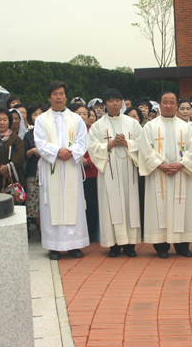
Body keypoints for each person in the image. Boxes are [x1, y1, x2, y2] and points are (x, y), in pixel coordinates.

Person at [139, 91, 192, 258]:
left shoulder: (186, 127)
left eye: (172, 102)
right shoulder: (150, 127)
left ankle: (183, 246)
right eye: (165, 102)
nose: (168, 105)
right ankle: (162, 247)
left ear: (176, 105)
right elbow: (145, 149)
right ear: (159, 105)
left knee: (182, 208)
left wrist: (181, 164)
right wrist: (161, 166)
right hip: (158, 174)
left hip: (181, 174)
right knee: (160, 208)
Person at [34, 81, 89, 260]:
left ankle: (74, 245)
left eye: (62, 94)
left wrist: (70, 152)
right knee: (52, 204)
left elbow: (82, 141)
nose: (58, 97)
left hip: (71, 165)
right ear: (49, 97)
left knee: (73, 204)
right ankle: (54, 247)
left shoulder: (76, 119)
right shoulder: (42, 119)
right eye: (55, 94)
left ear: (66, 96)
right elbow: (40, 143)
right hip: (52, 167)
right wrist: (58, 151)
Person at [87, 88, 142, 257]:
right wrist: (110, 144)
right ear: (104, 105)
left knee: (130, 204)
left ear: (122, 102)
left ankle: (130, 245)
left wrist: (126, 143)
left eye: (118, 100)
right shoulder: (97, 126)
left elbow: (142, 144)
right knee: (110, 206)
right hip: (109, 173)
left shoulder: (132, 123)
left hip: (128, 171)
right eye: (110, 100)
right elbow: (92, 149)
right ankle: (114, 245)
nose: (115, 103)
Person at [69, 102, 99, 241]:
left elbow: (99, 150)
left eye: (84, 114)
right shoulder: (67, 130)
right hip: (71, 172)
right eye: (78, 113)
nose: (82, 116)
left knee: (91, 204)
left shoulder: (93, 132)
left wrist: (88, 161)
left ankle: (90, 232)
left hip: (90, 173)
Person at [0, 108, 26, 191]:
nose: (1, 122)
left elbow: (20, 156)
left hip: (13, 177)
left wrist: (8, 167)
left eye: (5, 120)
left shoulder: (15, 139)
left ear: (9, 121)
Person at [23, 104, 44, 231]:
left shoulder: (50, 132)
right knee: (35, 203)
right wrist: (32, 151)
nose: (38, 116)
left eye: (40, 113)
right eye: (35, 114)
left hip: (49, 169)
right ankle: (42, 231)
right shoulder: (28, 135)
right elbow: (24, 154)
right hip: (33, 171)